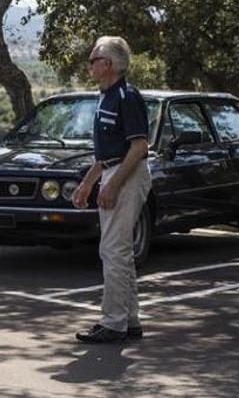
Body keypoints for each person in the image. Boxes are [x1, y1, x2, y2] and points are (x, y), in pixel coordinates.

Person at [72, 36, 152, 344]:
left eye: (94, 58)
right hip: (113, 171)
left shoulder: (126, 96)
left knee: (113, 250)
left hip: (126, 174)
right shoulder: (106, 96)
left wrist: (114, 186)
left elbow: (139, 146)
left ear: (109, 64)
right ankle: (128, 320)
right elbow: (105, 153)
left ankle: (113, 322)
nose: (90, 63)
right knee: (119, 251)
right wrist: (88, 183)